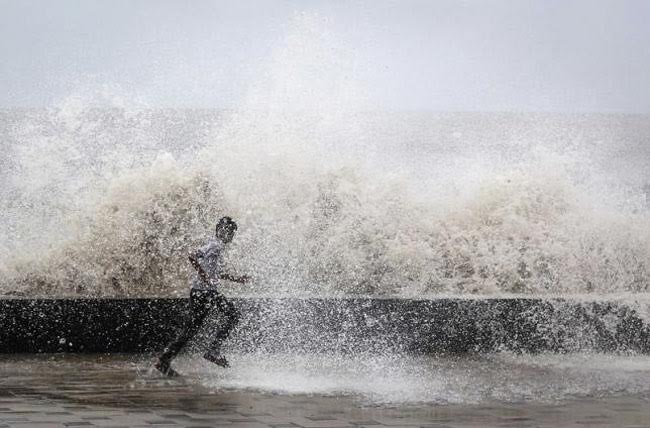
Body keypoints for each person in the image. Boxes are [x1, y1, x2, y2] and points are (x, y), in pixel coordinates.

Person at [155, 216, 250, 377]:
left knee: (190, 330)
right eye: (230, 232)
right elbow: (192, 256)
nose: (231, 236)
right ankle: (212, 351)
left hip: (202, 292)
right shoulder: (216, 245)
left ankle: (164, 360)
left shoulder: (217, 247)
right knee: (233, 315)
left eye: (232, 233)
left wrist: (237, 279)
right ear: (222, 232)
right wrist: (204, 276)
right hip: (204, 293)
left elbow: (216, 273)